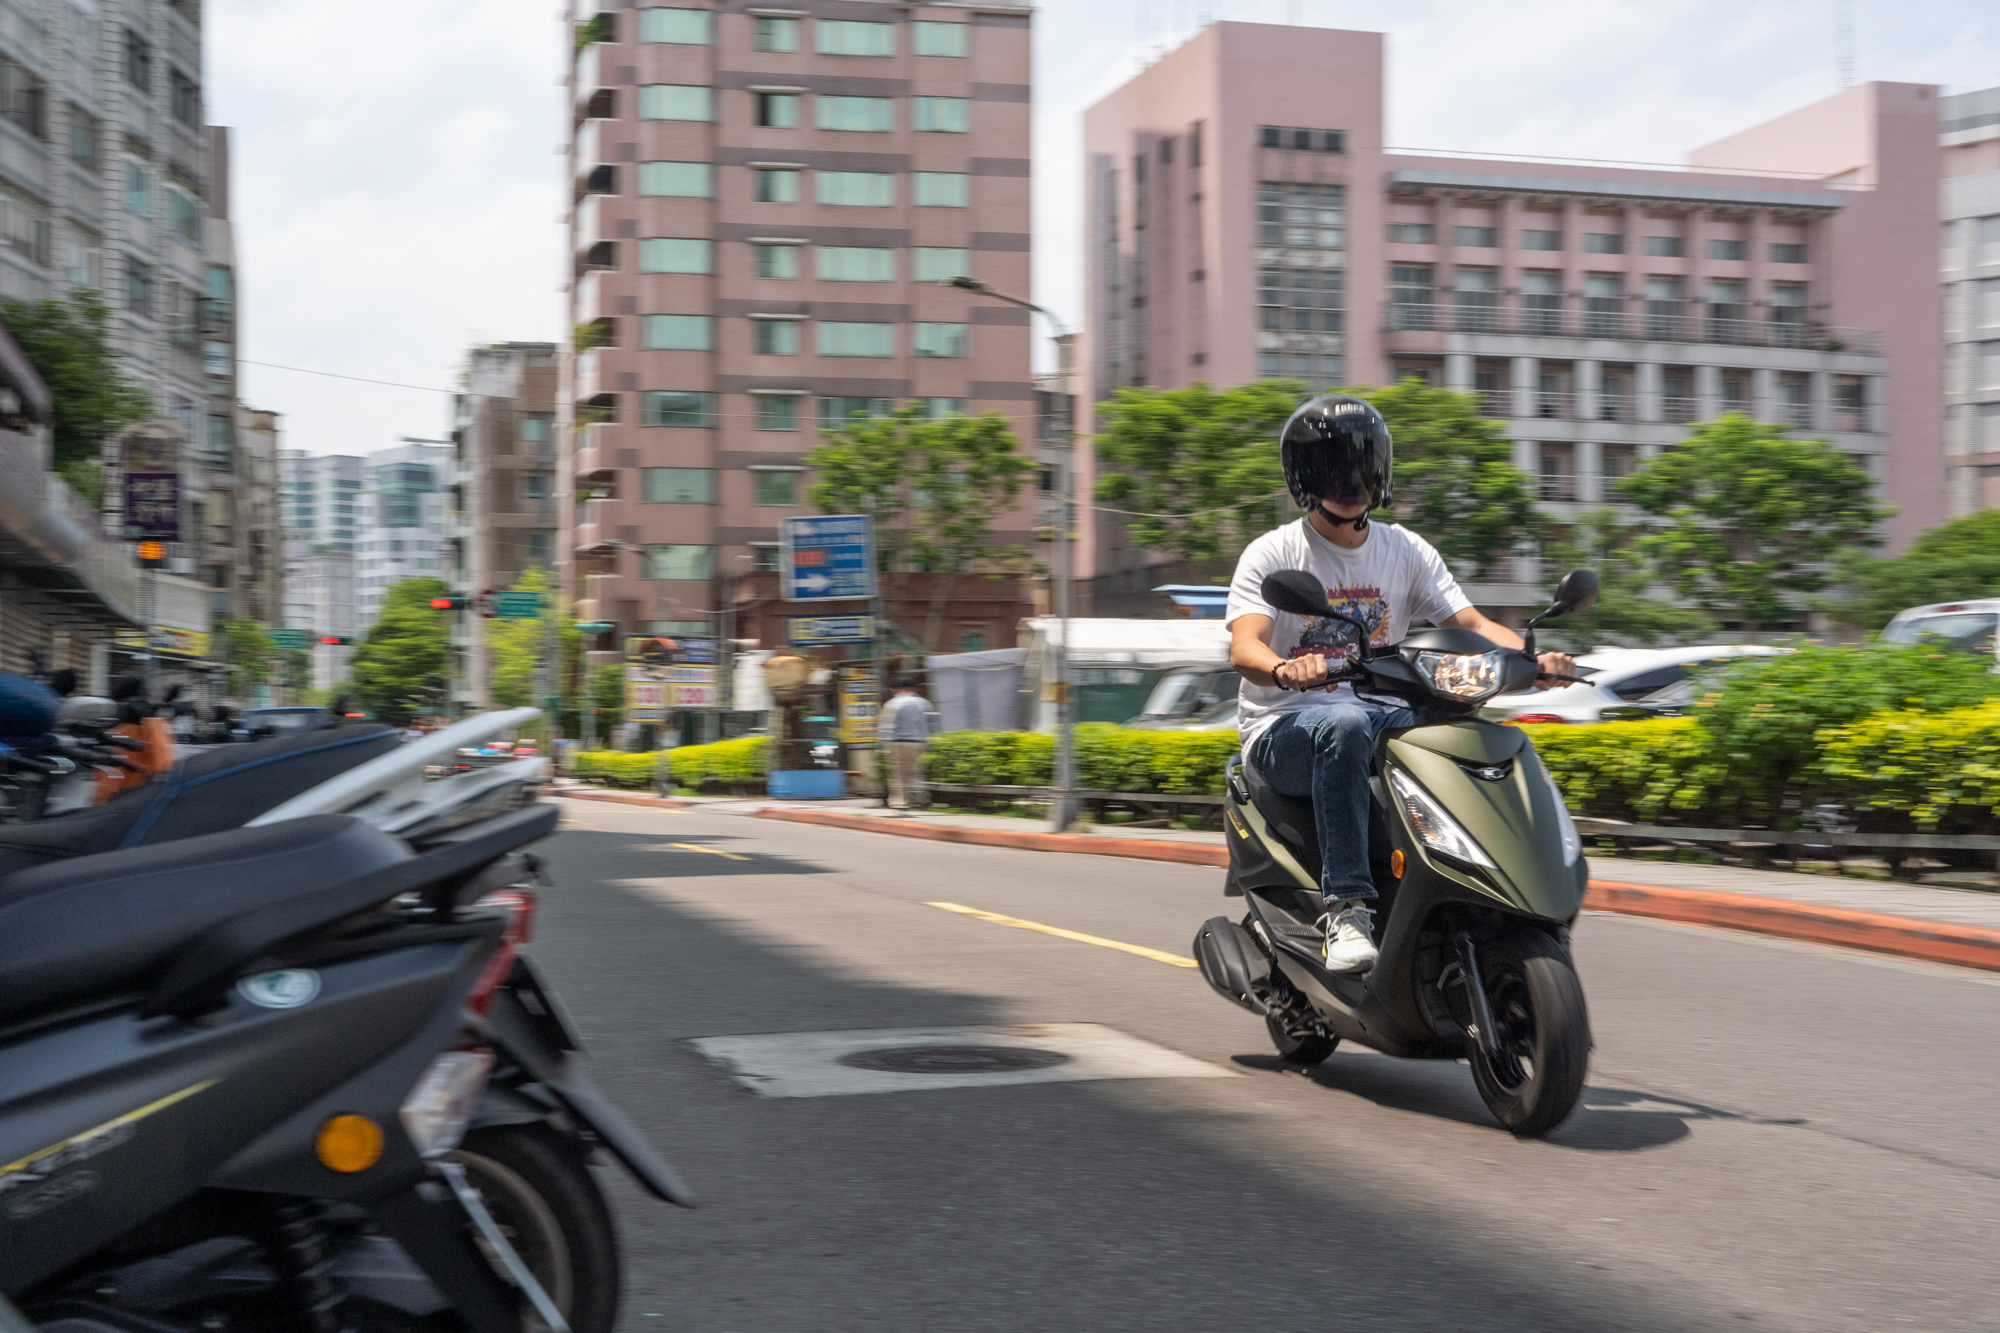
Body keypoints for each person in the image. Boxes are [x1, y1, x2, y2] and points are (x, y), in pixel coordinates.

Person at [1225, 394, 1574, 973]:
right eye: (1335, 469)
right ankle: (1348, 909)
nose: (1353, 481)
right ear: (1306, 479)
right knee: (1342, 723)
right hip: (1283, 725)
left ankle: (1493, 879)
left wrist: (1537, 659)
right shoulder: (1274, 553)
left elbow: (1474, 625)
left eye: (1364, 466)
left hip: (1379, 714)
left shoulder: (1406, 550)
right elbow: (1245, 646)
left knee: (1468, 731)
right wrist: (1286, 667)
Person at [878, 677, 937, 810]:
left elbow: (887, 727)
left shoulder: (893, 704)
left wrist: (883, 748)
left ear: (895, 689)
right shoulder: (925, 703)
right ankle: (922, 799)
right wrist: (930, 745)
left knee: (898, 774)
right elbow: (932, 725)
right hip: (920, 743)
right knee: (917, 772)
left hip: (899, 744)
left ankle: (900, 803)